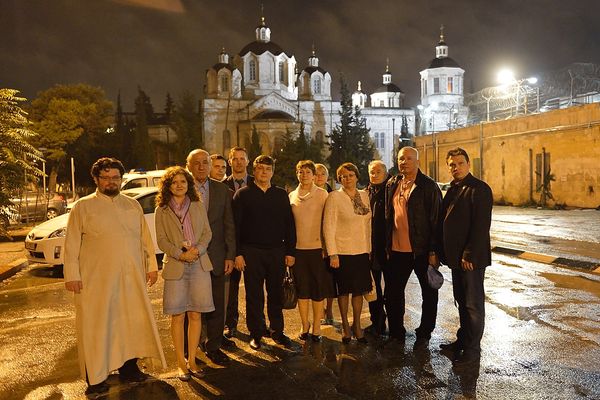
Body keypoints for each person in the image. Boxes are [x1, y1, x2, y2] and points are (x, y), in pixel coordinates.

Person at [64, 157, 166, 397]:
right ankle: (96, 377)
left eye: (115, 177)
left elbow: (145, 240)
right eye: (106, 177)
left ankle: (129, 368)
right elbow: (71, 244)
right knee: (97, 327)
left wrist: (151, 266)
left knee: (130, 323)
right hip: (95, 281)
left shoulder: (132, 205)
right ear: (96, 179)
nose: (111, 182)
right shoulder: (83, 207)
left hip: (131, 279)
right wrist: (72, 275)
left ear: (121, 179)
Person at [155, 166, 214, 380]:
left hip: (199, 263)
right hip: (176, 265)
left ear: (188, 184)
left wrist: (197, 250)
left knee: (196, 314)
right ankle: (181, 362)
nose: (179, 185)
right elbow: (162, 241)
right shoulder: (161, 210)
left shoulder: (197, 204)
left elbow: (207, 233)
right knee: (178, 315)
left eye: (183, 181)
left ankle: (193, 361)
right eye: (174, 182)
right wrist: (181, 254)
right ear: (168, 186)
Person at [233, 155, 296, 350]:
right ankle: (256, 333)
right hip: (251, 252)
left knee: (276, 293)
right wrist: (238, 253)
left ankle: (277, 331)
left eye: (268, 169)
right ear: (254, 171)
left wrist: (290, 251)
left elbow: (289, 224)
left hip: (277, 251)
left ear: (272, 172)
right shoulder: (242, 195)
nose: (264, 172)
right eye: (260, 168)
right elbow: (235, 227)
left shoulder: (280, 194)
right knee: (254, 295)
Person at [438, 147, 493, 369]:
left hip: (471, 259)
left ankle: (472, 350)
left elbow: (481, 225)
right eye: (452, 164)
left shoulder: (479, 189)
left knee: (473, 304)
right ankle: (462, 340)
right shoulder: (453, 189)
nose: (456, 167)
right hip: (455, 258)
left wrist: (469, 253)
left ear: (468, 164)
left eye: (460, 163)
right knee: (461, 301)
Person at [384, 147, 443, 347]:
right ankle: (396, 333)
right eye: (401, 159)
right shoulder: (392, 183)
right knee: (393, 293)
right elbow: (388, 216)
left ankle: (424, 334)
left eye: (409, 158)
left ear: (417, 161)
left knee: (429, 293)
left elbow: (436, 220)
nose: (405, 162)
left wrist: (433, 251)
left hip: (422, 251)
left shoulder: (428, 186)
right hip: (397, 250)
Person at [186, 149, 236, 366]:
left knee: (217, 304)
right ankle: (189, 348)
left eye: (204, 162)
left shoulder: (222, 190)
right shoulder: (181, 188)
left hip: (216, 256)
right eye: (196, 163)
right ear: (188, 165)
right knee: (190, 305)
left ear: (209, 165)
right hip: (189, 257)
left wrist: (230, 255)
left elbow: (229, 225)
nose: (201, 166)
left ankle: (213, 346)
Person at [323, 162, 372, 344]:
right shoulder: (334, 197)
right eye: (343, 176)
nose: (347, 178)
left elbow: (368, 225)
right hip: (342, 252)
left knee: (358, 291)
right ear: (339, 179)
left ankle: (357, 325)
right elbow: (328, 226)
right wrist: (332, 253)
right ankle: (345, 326)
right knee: (344, 291)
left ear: (357, 177)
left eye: (350, 175)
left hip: (361, 251)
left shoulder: (364, 195)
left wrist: (369, 249)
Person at [289, 160, 336, 342]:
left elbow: (329, 222)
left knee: (317, 290)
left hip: (318, 250)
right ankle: (304, 324)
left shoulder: (323, 194)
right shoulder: (292, 195)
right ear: (297, 174)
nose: (304, 175)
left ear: (314, 175)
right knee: (302, 290)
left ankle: (316, 326)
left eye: (308, 172)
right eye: (300, 172)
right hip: (298, 250)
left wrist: (329, 248)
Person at [223, 146, 254, 338]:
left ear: (248, 161)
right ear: (230, 162)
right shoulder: (222, 185)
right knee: (231, 290)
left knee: (254, 289)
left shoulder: (256, 182)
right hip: (230, 246)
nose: (239, 162)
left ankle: (256, 325)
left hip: (252, 245)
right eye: (235, 159)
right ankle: (230, 324)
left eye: (242, 158)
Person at [365, 160, 390, 337]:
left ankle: (394, 325)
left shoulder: (391, 190)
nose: (374, 175)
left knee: (392, 290)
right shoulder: (366, 192)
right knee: (373, 288)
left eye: (378, 172)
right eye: (372, 172)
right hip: (371, 248)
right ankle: (377, 322)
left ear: (386, 173)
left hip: (388, 247)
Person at [314, 163, 335, 325]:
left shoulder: (333, 195)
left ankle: (330, 308)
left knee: (330, 279)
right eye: (316, 173)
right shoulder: (310, 193)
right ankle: (320, 310)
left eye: (323, 173)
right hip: (314, 242)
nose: (319, 176)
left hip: (331, 243)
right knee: (317, 278)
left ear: (327, 177)